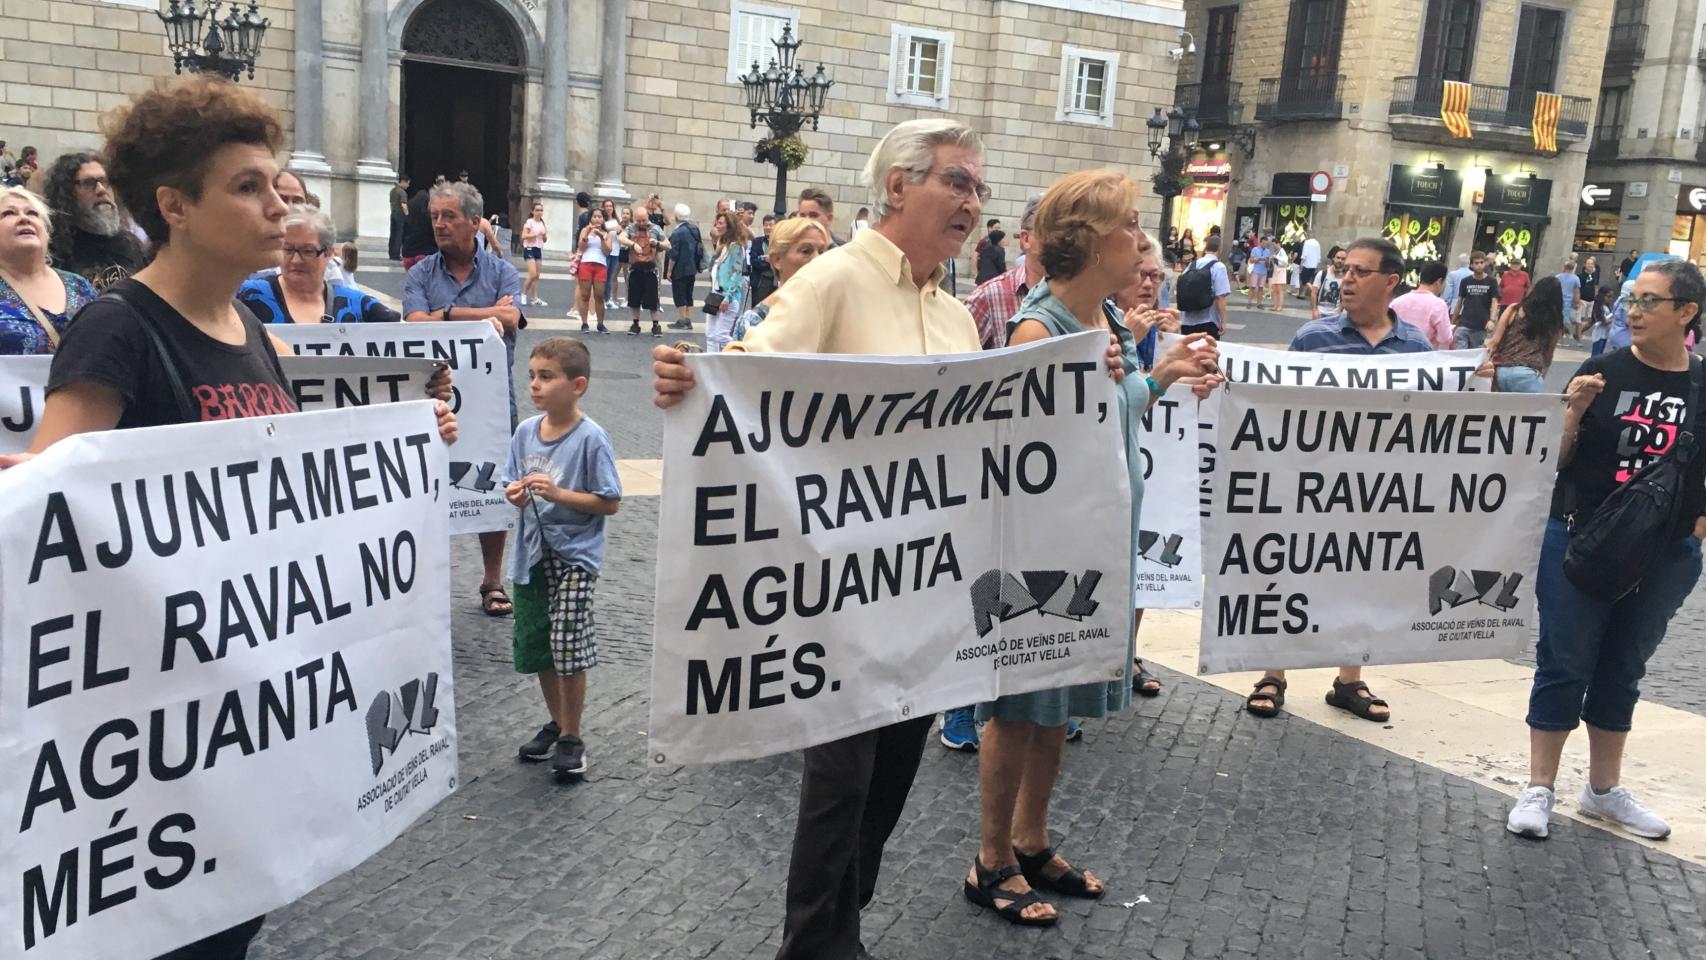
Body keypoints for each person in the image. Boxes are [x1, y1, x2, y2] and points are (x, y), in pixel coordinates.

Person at [0, 75, 455, 960]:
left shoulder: (252, 331)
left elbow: (286, 498)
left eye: (276, 184)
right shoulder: (117, 331)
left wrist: (400, 447)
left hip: (234, 741)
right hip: (147, 746)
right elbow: (50, 533)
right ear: (173, 204)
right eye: (247, 187)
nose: (277, 206)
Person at [650, 118, 1108, 960]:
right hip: (836, 601)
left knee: (889, 782)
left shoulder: (958, 317)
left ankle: (843, 926)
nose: (973, 201)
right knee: (838, 785)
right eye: (957, 182)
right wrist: (691, 380)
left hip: (923, 600)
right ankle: (815, 945)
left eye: (978, 188)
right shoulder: (834, 279)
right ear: (900, 186)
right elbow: (750, 380)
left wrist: (1084, 388)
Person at [970, 170, 1220, 929]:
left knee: (1059, 708)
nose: (1141, 241)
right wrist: (1127, 384)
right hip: (1041, 551)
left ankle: (1032, 840)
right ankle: (990, 862)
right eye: (1128, 227)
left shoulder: (1106, 323)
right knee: (1018, 710)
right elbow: (1034, 450)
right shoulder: (1037, 331)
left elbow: (1111, 419)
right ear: (1087, 240)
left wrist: (1160, 375)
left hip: (1092, 544)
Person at [1505, 258, 1706, 842]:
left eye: (1650, 302)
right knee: (1565, 661)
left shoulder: (1701, 384)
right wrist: (1574, 411)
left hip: (1664, 553)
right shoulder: (1602, 370)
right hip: (1579, 537)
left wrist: (1695, 528)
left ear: (1686, 313)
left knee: (1624, 667)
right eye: (1631, 301)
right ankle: (1539, 786)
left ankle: (1602, 789)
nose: (1634, 312)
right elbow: (1555, 462)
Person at [1245, 238, 1429, 724]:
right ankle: (1273, 672)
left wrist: (1475, 383)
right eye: (1345, 269)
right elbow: (1273, 406)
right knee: (1291, 572)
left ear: (1391, 282)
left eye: (1360, 272)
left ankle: (1350, 680)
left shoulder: (1416, 348)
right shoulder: (1313, 338)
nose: (1345, 279)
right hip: (1313, 483)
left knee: (1366, 577)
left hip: (1378, 488)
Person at [403, 180, 524, 619]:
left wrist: (447, 315)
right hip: (434, 403)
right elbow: (415, 325)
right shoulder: (419, 273)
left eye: (449, 216)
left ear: (475, 222)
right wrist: (474, 315)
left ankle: (493, 579)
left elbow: (510, 318)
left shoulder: (501, 272)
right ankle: (422, 580)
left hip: (493, 401)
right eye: (435, 216)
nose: (439, 224)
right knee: (425, 486)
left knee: (491, 485)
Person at [507, 336, 622, 776]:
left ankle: (573, 735)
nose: (535, 385)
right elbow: (509, 480)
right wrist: (515, 494)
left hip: (575, 555)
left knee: (567, 640)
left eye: (546, 377)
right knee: (539, 641)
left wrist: (559, 494)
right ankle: (556, 723)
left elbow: (609, 501)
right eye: (532, 375)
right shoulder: (524, 433)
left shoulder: (592, 438)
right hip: (531, 552)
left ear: (577, 386)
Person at [238, 204, 399, 324]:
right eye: (287, 249)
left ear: (329, 253)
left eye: (307, 251)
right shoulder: (246, 296)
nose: (295, 260)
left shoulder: (359, 306)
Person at [0, 186, 98, 354]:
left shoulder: (80, 285)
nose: (24, 219)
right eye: (9, 213)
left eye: (32, 213)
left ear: (46, 232)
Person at [42, 151, 150, 289]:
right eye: (88, 183)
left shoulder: (131, 245)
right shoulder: (53, 253)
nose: (101, 190)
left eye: (105, 182)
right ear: (67, 193)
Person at [730, 216, 830, 343]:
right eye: (806, 251)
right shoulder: (753, 323)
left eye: (822, 252)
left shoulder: (835, 315)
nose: (817, 258)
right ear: (777, 260)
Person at [964, 195, 1043, 353]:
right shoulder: (988, 297)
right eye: (1054, 229)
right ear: (1026, 238)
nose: (1066, 239)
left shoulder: (1088, 300)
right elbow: (950, 368)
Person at [1484, 275, 1565, 393]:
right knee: (1530, 411)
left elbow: (1494, 342)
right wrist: (1542, 375)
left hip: (1501, 371)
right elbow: (1548, 354)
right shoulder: (1555, 320)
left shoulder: (1513, 310)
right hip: (1529, 373)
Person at [703, 209, 751, 354]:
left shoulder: (736, 247)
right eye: (717, 222)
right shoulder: (722, 246)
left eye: (721, 223)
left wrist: (728, 297)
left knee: (721, 336)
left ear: (729, 226)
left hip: (727, 296)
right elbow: (713, 267)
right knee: (710, 334)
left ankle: (742, 352)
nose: (717, 225)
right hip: (715, 294)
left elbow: (736, 275)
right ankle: (711, 362)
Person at [618, 204, 670, 336]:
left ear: (648, 217)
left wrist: (657, 243)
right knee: (634, 298)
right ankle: (635, 324)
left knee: (653, 298)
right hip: (635, 268)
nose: (641, 223)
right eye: (638, 220)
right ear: (634, 218)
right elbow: (621, 237)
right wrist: (633, 244)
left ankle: (656, 325)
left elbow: (668, 244)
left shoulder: (656, 228)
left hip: (651, 268)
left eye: (643, 220)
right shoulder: (631, 228)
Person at [1390, 259, 1454, 349]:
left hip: (1397, 354)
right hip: (1424, 357)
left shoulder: (1396, 302)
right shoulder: (1438, 305)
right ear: (1439, 281)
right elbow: (1445, 338)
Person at [1176, 232, 1231, 337]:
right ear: (1219, 249)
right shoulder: (1219, 267)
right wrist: (1223, 321)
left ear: (1206, 248)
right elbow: (1220, 297)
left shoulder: (1192, 264)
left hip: (1186, 321)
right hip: (1207, 320)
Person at [574, 214, 616, 334]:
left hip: (600, 265)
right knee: (585, 295)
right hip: (586, 263)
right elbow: (581, 247)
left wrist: (601, 237)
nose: (597, 219)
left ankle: (600, 324)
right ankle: (584, 323)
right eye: (595, 216)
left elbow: (607, 251)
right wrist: (587, 234)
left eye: (600, 217)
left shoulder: (606, 233)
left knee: (599, 295)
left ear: (603, 219)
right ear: (591, 219)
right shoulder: (585, 230)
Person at [664, 203, 703, 330]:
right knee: (688, 294)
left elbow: (674, 255)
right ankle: (688, 319)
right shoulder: (694, 229)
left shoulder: (677, 233)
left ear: (676, 216)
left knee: (679, 294)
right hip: (692, 267)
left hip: (680, 268)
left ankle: (682, 320)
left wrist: (669, 271)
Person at [1450, 250, 1498, 348]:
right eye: (1476, 263)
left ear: (1485, 264)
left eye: (1481, 263)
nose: (1479, 265)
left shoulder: (1491, 281)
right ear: (1471, 265)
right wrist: (1453, 322)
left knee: (1475, 357)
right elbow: (1459, 302)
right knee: (1460, 356)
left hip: (1482, 326)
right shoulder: (1465, 281)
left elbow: (1494, 301)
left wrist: (1492, 320)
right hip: (1464, 324)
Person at [400, 185, 436, 271]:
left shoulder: (408, 217)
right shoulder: (429, 218)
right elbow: (434, 237)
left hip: (408, 255)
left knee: (412, 281)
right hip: (425, 254)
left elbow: (402, 235)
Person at [521, 201, 548, 307]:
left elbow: (544, 239)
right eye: (537, 210)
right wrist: (535, 234)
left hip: (538, 248)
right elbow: (524, 235)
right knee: (532, 273)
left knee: (537, 275)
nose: (539, 212)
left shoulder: (542, 223)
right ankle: (523, 294)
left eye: (541, 210)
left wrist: (544, 235)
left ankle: (534, 298)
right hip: (529, 248)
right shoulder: (529, 222)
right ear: (532, 211)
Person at [1309, 245, 1347, 320]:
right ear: (1333, 258)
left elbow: (1346, 297)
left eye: (1343, 259)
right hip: (1320, 313)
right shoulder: (1322, 274)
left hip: (1335, 315)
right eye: (1338, 257)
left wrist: (1340, 309)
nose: (1340, 260)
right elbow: (1314, 293)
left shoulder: (1346, 278)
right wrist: (1314, 310)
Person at [748, 212, 778, 305]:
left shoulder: (780, 242)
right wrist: (768, 261)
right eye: (765, 225)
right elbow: (754, 260)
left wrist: (767, 259)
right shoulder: (757, 241)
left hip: (775, 280)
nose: (768, 227)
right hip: (760, 280)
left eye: (770, 225)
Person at [611, 205, 634, 308]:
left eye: (627, 213)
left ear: (631, 215)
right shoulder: (618, 225)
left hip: (627, 252)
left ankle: (627, 298)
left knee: (627, 276)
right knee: (613, 275)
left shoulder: (632, 227)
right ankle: (613, 298)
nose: (625, 215)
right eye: (623, 213)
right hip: (618, 251)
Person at [1574, 255, 1601, 340]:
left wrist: (1596, 295)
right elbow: (1578, 288)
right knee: (1581, 318)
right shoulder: (1581, 276)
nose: (1590, 265)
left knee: (1590, 319)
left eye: (1592, 264)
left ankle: (1579, 332)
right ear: (1585, 265)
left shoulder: (1595, 274)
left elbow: (1595, 285)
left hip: (1591, 299)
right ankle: (1578, 334)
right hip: (1583, 299)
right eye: (1588, 264)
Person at [1556, 257, 1582, 337]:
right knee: (1564, 320)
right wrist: (1576, 302)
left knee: (1557, 318)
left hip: (1557, 300)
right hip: (1568, 301)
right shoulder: (1575, 279)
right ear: (1573, 268)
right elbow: (1576, 292)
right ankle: (1560, 336)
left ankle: (1557, 335)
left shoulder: (1558, 277)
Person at [388, 173, 410, 260]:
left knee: (392, 234)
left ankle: (391, 253)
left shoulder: (393, 190)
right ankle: (396, 254)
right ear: (403, 182)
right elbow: (403, 204)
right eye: (408, 183)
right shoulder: (402, 192)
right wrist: (407, 214)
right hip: (400, 215)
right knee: (399, 235)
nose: (408, 185)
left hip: (393, 213)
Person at [1246, 235, 1270, 308]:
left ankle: (1259, 303)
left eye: (1266, 244)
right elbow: (1251, 260)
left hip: (1264, 272)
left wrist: (1267, 261)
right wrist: (1259, 259)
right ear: (1260, 242)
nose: (1265, 245)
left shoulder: (1268, 251)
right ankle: (1249, 303)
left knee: (1261, 287)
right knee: (1252, 287)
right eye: (1264, 243)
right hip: (1256, 270)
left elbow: (1268, 264)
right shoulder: (1255, 249)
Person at [1267, 239, 1290, 311]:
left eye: (1274, 245)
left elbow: (1285, 261)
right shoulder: (1275, 252)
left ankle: (1280, 306)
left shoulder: (1282, 251)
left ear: (1278, 244)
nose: (1273, 246)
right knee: (1274, 289)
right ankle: (1275, 305)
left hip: (1281, 271)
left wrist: (1276, 257)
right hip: (1276, 271)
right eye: (1272, 245)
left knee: (1279, 290)